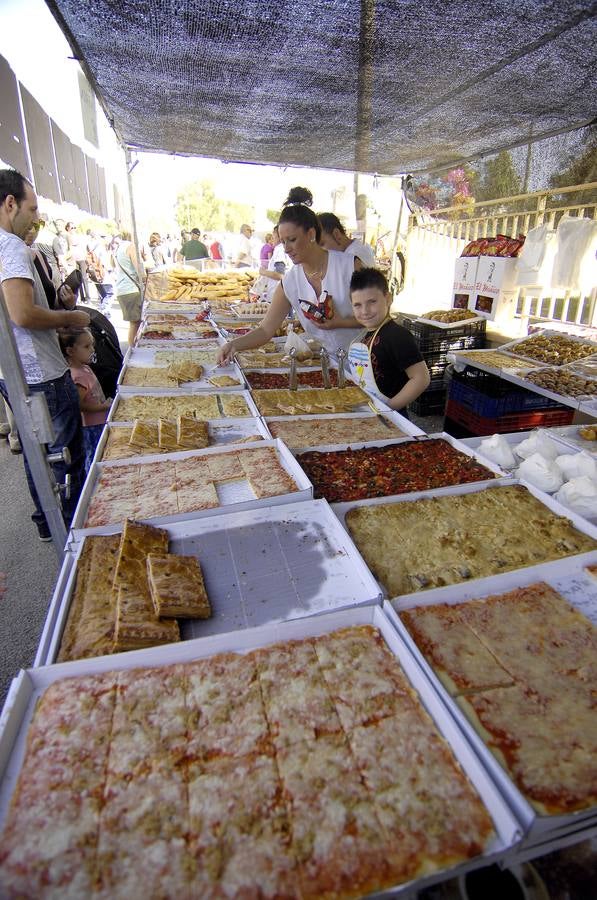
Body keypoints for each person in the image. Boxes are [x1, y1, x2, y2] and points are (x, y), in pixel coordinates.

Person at [0, 169, 89, 539]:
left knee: (39, 457)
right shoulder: (11, 247)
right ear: (9, 204)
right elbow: (22, 313)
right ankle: (71, 532)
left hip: (18, 372)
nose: (35, 217)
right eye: (31, 207)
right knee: (63, 458)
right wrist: (70, 316)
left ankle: (48, 524)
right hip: (42, 376)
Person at [217, 186, 362, 365]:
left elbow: (379, 316)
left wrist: (340, 323)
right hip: (329, 368)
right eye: (283, 241)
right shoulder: (291, 281)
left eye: (292, 240)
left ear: (311, 234)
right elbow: (265, 329)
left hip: (365, 364)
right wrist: (233, 345)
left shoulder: (349, 266)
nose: (286, 249)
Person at [348, 267, 430, 412]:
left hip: (390, 413)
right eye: (358, 305)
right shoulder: (365, 335)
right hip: (370, 409)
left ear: (388, 299)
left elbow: (421, 378)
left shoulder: (397, 335)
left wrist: (389, 409)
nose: (365, 311)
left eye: (372, 302)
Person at [60, 328, 112, 473]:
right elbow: (80, 404)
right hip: (91, 424)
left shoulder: (84, 368)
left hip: (98, 420)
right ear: (70, 351)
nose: (92, 350)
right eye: (87, 346)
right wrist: (102, 407)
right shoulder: (78, 376)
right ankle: (92, 475)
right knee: (94, 453)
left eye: (92, 345)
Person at [113, 229, 144, 345]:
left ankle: (134, 349)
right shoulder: (130, 247)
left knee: (134, 323)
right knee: (135, 324)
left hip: (123, 289)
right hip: (131, 289)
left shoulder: (119, 248)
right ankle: (133, 350)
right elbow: (140, 271)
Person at [258, 225, 292, 302]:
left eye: (274, 236)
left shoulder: (279, 250)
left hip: (278, 295)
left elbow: (279, 275)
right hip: (283, 293)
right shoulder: (281, 248)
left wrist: (263, 272)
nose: (272, 238)